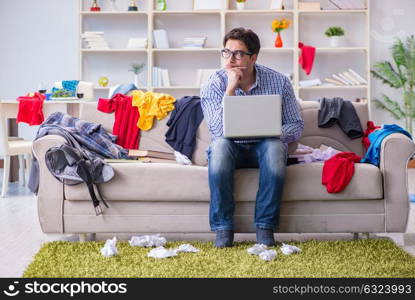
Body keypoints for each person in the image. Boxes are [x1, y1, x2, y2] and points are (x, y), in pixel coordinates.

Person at [200, 27, 304, 248]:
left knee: (275, 147)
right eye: (226, 52)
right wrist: (230, 89)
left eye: (238, 53)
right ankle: (223, 228)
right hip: (231, 150)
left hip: (264, 149)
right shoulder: (214, 83)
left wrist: (270, 131)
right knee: (219, 147)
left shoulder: (279, 81)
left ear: (253, 57)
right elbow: (217, 131)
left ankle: (265, 226)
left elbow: (295, 126)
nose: (230, 59)